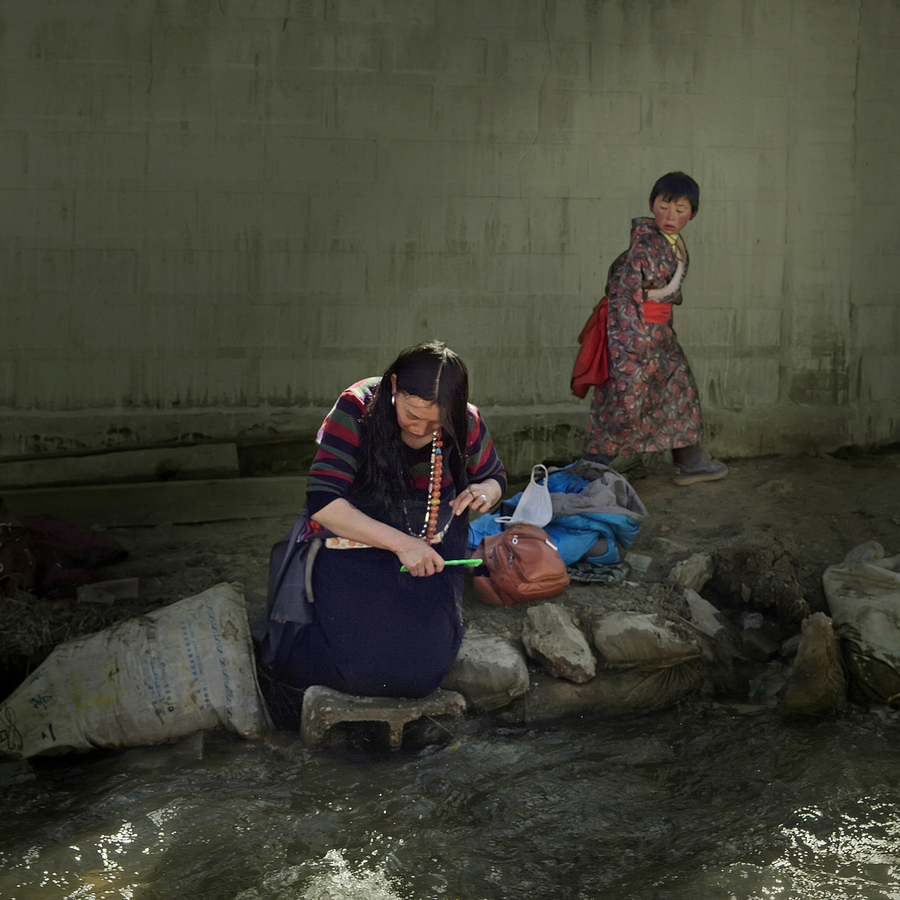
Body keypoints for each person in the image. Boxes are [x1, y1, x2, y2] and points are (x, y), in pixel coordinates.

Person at [261, 340, 506, 699]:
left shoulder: (465, 420)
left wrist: (485, 491)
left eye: (435, 422)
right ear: (393, 386)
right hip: (356, 550)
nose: (421, 430)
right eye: (412, 415)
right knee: (361, 669)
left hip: (433, 559)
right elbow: (323, 501)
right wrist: (402, 543)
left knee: (422, 673)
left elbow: (495, 476)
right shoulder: (358, 406)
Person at [577, 171, 727, 486]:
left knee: (680, 394)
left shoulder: (672, 245)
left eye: (680, 210)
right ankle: (591, 467)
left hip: (661, 337)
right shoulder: (643, 248)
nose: (670, 216)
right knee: (624, 401)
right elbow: (622, 298)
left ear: (692, 213)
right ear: (653, 204)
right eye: (664, 206)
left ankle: (688, 462)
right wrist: (630, 347)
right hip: (634, 337)